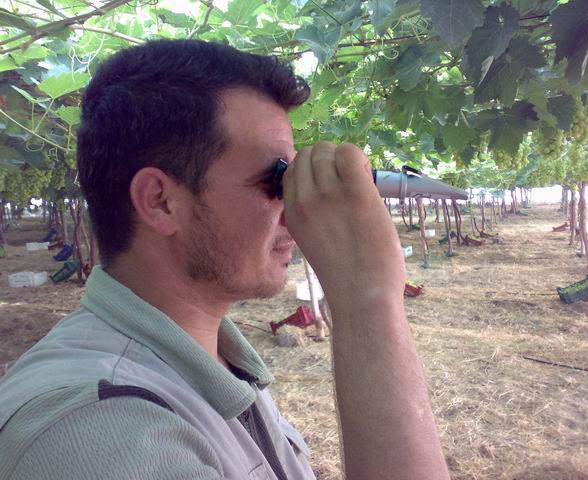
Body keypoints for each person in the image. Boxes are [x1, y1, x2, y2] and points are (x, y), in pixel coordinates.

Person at [0, 40, 449, 480]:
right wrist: (367, 299)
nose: (296, 213)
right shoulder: (98, 433)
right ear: (160, 202)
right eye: (277, 183)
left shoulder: (209, 360)